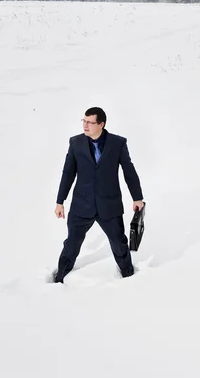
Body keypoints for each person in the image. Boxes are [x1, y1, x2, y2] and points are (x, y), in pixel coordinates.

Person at [53, 107, 144, 283]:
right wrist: (60, 201)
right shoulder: (75, 143)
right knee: (71, 244)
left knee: (119, 244)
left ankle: (129, 277)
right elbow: (68, 173)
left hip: (109, 205)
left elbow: (129, 171)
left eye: (90, 122)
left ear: (101, 124)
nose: (85, 125)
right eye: (84, 121)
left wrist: (137, 197)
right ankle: (59, 278)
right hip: (82, 204)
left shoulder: (118, 143)